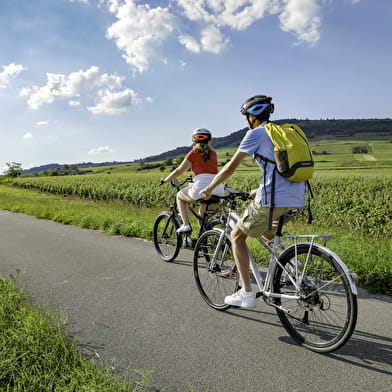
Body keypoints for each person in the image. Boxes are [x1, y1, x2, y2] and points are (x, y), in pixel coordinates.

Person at [200, 95, 306, 308]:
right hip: (296, 196)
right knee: (269, 235)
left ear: (252, 116)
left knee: (236, 236)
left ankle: (246, 293)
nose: (245, 120)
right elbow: (280, 168)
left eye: (246, 116)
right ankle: (297, 271)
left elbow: (230, 167)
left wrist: (209, 188)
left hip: (273, 200)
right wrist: (258, 190)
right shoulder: (284, 133)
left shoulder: (256, 134)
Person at [161, 128, 225, 233]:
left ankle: (186, 225)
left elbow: (179, 170)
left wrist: (166, 180)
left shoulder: (193, 153)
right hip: (217, 188)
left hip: (200, 188)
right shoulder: (213, 153)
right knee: (202, 219)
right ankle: (202, 242)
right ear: (209, 139)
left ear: (193, 140)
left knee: (180, 196)